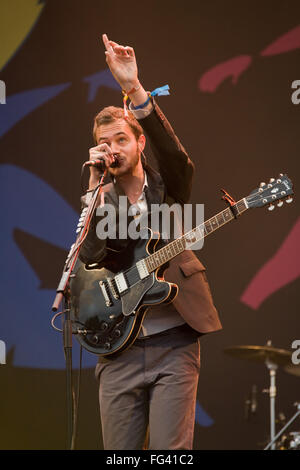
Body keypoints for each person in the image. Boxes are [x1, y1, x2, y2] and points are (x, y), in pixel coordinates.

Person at [78, 34, 222, 450]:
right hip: (118, 346)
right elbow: (89, 258)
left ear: (139, 143)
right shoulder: (102, 196)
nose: (114, 148)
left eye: (121, 139)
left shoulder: (168, 185)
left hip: (174, 343)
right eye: (105, 143)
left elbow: (173, 154)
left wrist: (134, 88)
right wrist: (93, 189)